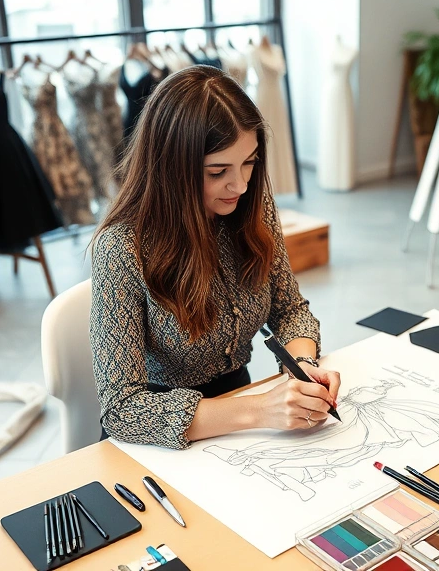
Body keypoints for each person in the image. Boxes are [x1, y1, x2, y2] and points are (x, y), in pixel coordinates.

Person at [90, 66, 340, 450]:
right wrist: (260, 411)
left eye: (250, 162)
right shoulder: (123, 247)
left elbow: (290, 310)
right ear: (172, 168)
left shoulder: (252, 207)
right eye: (218, 171)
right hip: (159, 431)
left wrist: (303, 364)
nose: (240, 184)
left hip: (234, 407)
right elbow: (123, 410)